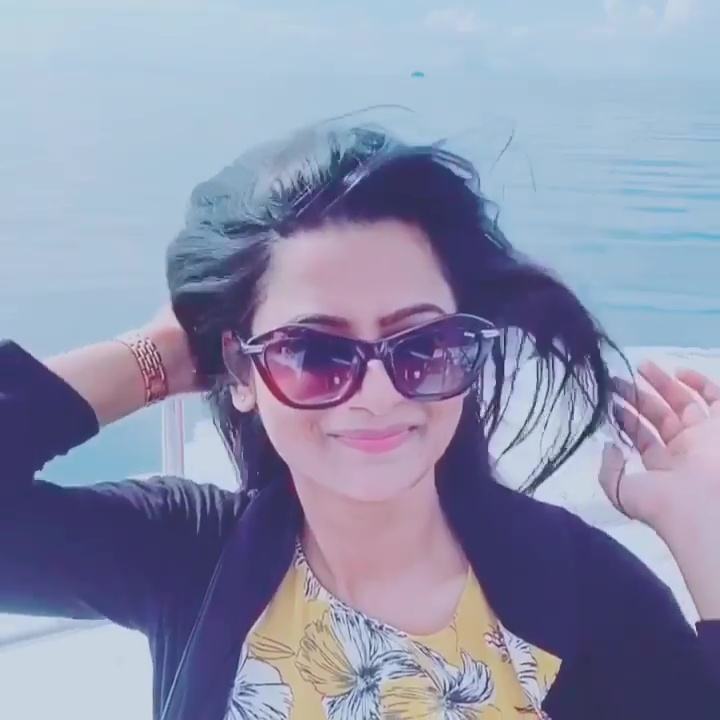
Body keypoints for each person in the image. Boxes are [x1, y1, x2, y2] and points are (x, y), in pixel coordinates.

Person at [1, 121, 719, 720]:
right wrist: (155, 357)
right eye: (312, 351)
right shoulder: (188, 555)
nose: (376, 394)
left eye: (424, 345)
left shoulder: (580, 588)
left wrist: (705, 529)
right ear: (241, 370)